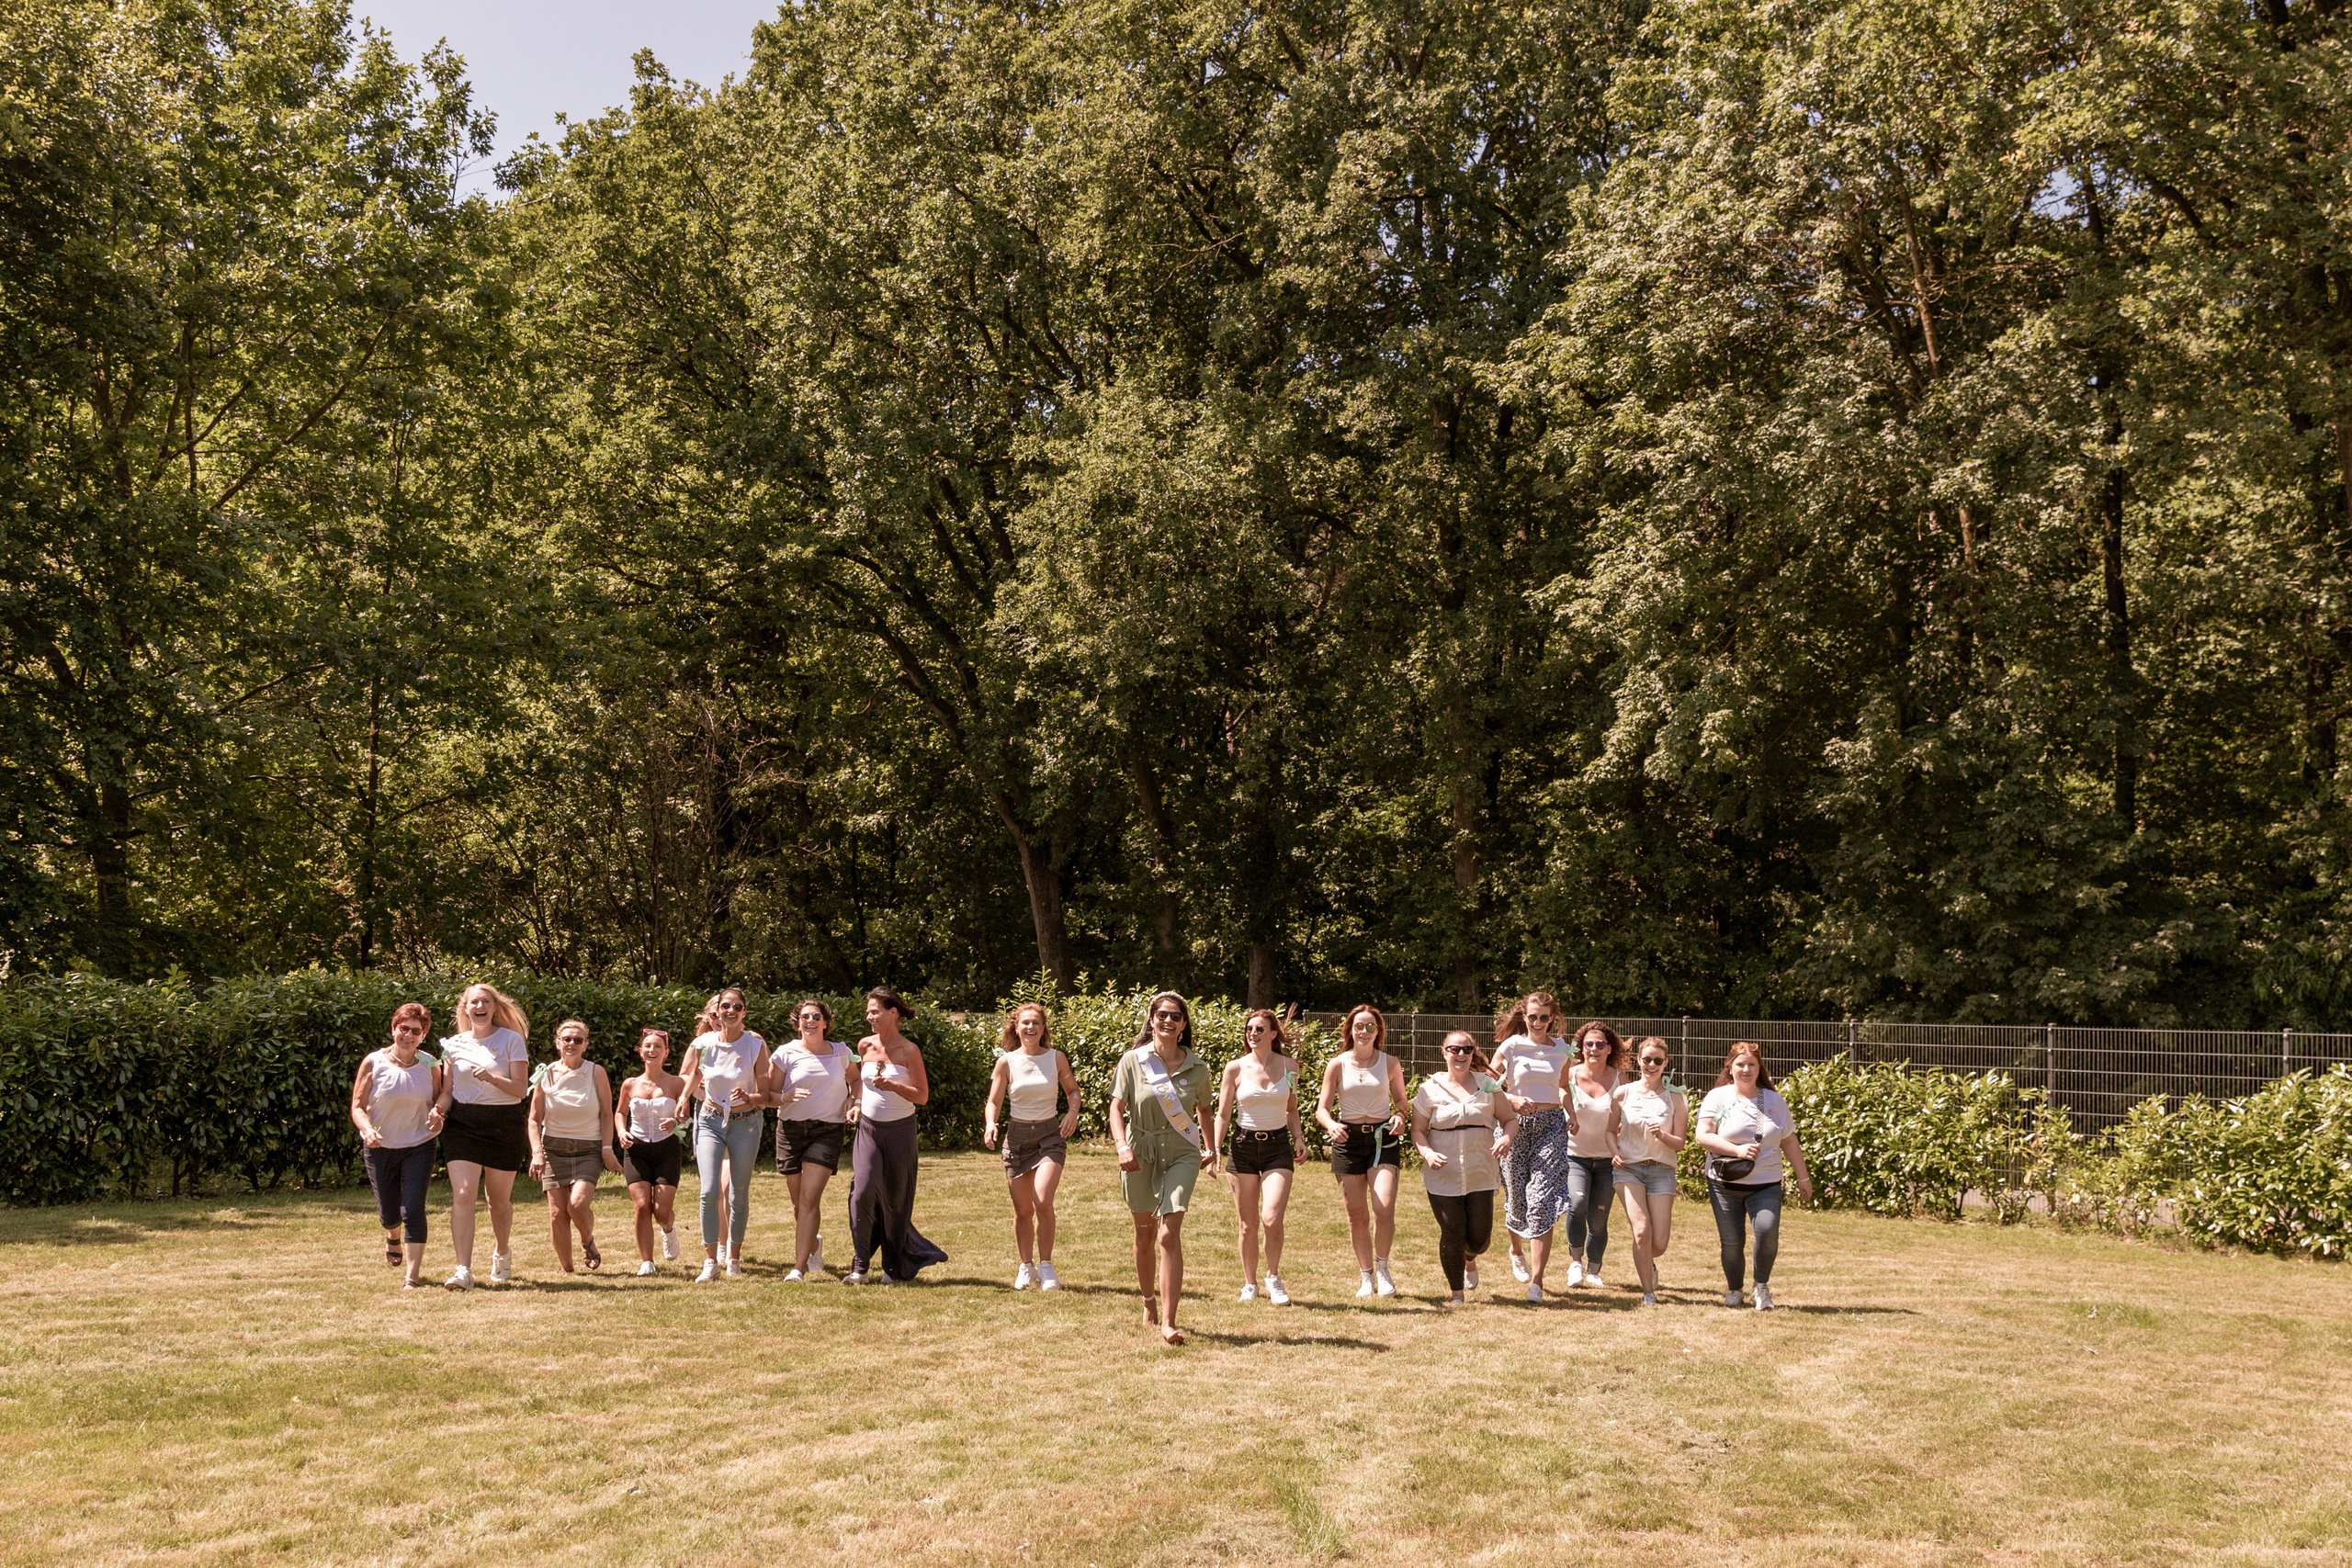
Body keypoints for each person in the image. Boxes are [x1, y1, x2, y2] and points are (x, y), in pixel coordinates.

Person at [1109, 991, 1218, 1344]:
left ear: (1184, 1024)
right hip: (1139, 1151)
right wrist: (1122, 1147)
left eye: (1175, 1016)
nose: (1168, 1021)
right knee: (1144, 1236)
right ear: (1152, 1020)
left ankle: (1169, 1322)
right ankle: (1149, 1302)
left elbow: (1204, 1110)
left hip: (1181, 1153)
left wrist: (1211, 1148)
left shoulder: (1198, 1067)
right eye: (1162, 1015)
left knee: (1169, 1232)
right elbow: (1116, 1108)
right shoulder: (1133, 1061)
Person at [1694, 1041, 1814, 1310]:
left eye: (1751, 1064)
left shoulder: (1774, 1100)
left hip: (1766, 1183)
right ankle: (1734, 1289)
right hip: (1724, 1183)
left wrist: (1803, 1178)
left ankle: (1761, 1286)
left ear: (1760, 1068)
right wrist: (1737, 1150)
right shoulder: (1717, 1097)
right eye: (1740, 1064)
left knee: (1767, 1230)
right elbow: (1702, 1136)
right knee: (1732, 1242)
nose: (1746, 1069)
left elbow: (1790, 1141)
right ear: (1730, 1067)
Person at [847, 986, 949, 1285]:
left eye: (875, 1011)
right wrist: (855, 1104)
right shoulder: (864, 1046)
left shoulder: (909, 1050)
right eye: (868, 1012)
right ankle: (860, 1267)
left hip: (901, 1132)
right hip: (869, 1129)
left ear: (893, 1013)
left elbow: (922, 1096)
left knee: (895, 1200)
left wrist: (895, 1087)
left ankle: (893, 1267)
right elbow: (860, 1084)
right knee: (862, 1191)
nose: (869, 1017)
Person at [435, 983, 532, 1290]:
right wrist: (438, 1110)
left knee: (498, 1201)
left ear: (494, 1006)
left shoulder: (511, 1040)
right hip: (464, 1124)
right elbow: (448, 1092)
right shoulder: (454, 1045)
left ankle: (502, 1251)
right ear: (465, 1008)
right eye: (474, 1002)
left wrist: (491, 1077)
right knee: (463, 1194)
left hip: (504, 1124)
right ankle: (463, 1269)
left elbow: (520, 1090)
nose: (480, 1006)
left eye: (485, 1001)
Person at [1410, 1031, 1518, 1305]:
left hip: (1481, 1171)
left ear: (1473, 1053)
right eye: (1454, 1049)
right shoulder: (1429, 1089)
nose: (1461, 1055)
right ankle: (1456, 1294)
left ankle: (1471, 1258)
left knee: (1480, 1239)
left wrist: (1505, 1138)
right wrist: (1427, 1153)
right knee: (1452, 1230)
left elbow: (1509, 1120)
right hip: (1443, 1175)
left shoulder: (1489, 1085)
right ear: (1444, 1052)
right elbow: (1418, 1131)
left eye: (1467, 1049)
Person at [981, 1002, 1081, 1291]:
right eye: (1025, 1023)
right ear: (1016, 1026)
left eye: (1036, 1023)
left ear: (1043, 1028)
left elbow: (1073, 1091)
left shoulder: (1056, 1058)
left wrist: (1072, 1112)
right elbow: (994, 1101)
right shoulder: (1006, 1062)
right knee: (1023, 1212)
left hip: (1050, 1137)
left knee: (1042, 1201)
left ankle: (1047, 1266)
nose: (1030, 1028)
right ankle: (1027, 1267)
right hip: (1017, 1139)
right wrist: (991, 1123)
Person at [1316, 1004, 1411, 1299]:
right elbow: (1322, 1108)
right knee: (1357, 1216)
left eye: (1371, 1026)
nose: (1365, 1031)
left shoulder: (1390, 1063)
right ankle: (1366, 1277)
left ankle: (1383, 1269)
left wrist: (1399, 1117)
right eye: (1360, 1026)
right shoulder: (1337, 1064)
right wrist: (1331, 1125)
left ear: (1378, 1031)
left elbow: (1401, 1103)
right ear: (1350, 1030)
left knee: (1383, 1210)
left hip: (1383, 1140)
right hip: (1348, 1142)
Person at [1213, 1008, 1306, 1304]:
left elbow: (1291, 1108)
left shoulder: (1290, 1066)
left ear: (1273, 1034)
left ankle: (1273, 1278)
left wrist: (1299, 1138)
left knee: (1272, 1217)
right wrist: (1215, 1148)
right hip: (1242, 1147)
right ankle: (1249, 1283)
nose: (1253, 1034)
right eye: (1250, 1029)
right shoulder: (1235, 1068)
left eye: (1260, 1029)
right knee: (1248, 1224)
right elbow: (1223, 1114)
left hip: (1278, 1147)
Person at [349, 1002, 445, 1288]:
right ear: (394, 1029)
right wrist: (367, 1130)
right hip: (381, 1146)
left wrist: (438, 1115)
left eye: (417, 1030)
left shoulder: (430, 1063)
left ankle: (412, 1279)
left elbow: (440, 1099)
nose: (409, 1034)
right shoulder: (373, 1061)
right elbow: (357, 1106)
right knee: (390, 1215)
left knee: (413, 1207)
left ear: (423, 1035)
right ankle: (393, 1236)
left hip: (420, 1144)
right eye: (404, 1028)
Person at [681, 987, 772, 1282]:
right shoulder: (703, 1043)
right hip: (709, 1119)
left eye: (737, 1006)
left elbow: (766, 1092)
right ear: (716, 1011)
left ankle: (734, 1254)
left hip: (745, 1122)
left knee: (738, 1193)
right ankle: (710, 1262)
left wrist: (750, 1095)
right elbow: (694, 1074)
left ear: (744, 1012)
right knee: (708, 1191)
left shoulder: (755, 1045)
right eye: (725, 1006)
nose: (730, 1010)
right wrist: (684, 1099)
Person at [1489, 991, 1571, 1302]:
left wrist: (1572, 1113)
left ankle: (1536, 1281)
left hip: (1551, 1125)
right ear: (1524, 1017)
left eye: (1544, 1017)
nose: (1538, 1022)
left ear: (1553, 1018)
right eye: (1533, 1016)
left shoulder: (1563, 1049)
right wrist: (1510, 1098)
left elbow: (1563, 1087)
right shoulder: (1511, 1046)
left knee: (1542, 1198)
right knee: (1517, 1194)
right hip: (1515, 1124)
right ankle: (1515, 1249)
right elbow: (1488, 1082)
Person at [527, 1019, 622, 1274]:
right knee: (558, 1214)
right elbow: (534, 1119)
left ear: (585, 1045)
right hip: (553, 1148)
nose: (571, 1043)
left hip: (587, 1148)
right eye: (566, 1039)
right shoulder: (544, 1073)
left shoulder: (595, 1072)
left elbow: (606, 1113)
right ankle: (567, 1270)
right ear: (558, 1043)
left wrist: (606, 1149)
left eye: (577, 1040)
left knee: (578, 1204)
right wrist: (537, 1152)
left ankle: (587, 1240)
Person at [774, 998, 855, 1281]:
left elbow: (856, 1081)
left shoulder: (841, 1052)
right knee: (799, 1204)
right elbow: (769, 1095)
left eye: (815, 1016)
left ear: (825, 1022)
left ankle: (798, 1267)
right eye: (804, 1017)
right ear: (797, 1023)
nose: (810, 1021)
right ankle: (814, 1243)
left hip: (827, 1130)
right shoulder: (784, 1053)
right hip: (790, 1131)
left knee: (810, 1198)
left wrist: (853, 1099)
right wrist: (785, 1097)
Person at [1612, 1035, 1690, 1305]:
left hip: (1661, 1172)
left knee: (1659, 1244)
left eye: (1658, 1060)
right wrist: (1615, 1152)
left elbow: (1680, 1143)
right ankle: (1648, 1292)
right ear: (1639, 1061)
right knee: (1641, 1230)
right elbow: (1610, 1132)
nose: (1652, 1065)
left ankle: (1648, 1261)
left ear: (1665, 1063)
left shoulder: (1676, 1098)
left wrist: (1663, 1136)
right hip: (1629, 1170)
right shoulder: (1623, 1093)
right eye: (1647, 1059)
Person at [615, 1028, 684, 1275]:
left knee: (661, 1211)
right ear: (640, 1051)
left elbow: (687, 1116)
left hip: (667, 1150)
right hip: (636, 1150)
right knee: (642, 1206)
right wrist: (622, 1131)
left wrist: (675, 1123)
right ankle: (647, 1262)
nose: (652, 1050)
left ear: (666, 1053)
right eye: (647, 1046)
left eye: (657, 1047)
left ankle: (668, 1228)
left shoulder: (677, 1083)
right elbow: (620, 1112)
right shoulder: (630, 1083)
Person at [1562, 1021, 1626, 1289]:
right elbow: (1559, 1096)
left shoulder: (1620, 1079)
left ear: (1609, 1048)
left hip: (1608, 1160)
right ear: (1581, 1048)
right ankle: (1575, 1263)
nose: (1594, 1049)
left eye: (1600, 1044)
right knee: (1576, 1206)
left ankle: (1594, 1270)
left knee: (1598, 1220)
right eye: (1589, 1044)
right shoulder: (1569, 1075)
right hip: (1574, 1156)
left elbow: (1630, 1111)